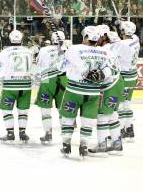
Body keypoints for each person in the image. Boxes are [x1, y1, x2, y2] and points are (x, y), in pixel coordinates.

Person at [58, 26, 113, 158]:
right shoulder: (105, 52)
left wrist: (63, 52)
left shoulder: (74, 49)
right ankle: (83, 146)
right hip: (93, 92)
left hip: (74, 91)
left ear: (86, 37)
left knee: (68, 117)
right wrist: (100, 74)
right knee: (88, 120)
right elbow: (110, 72)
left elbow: (60, 67)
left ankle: (66, 145)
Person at [89, 28, 124, 154]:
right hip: (118, 82)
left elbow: (103, 71)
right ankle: (117, 142)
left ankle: (102, 144)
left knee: (102, 115)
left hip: (109, 86)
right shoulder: (110, 48)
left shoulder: (102, 50)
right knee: (112, 114)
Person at [0, 30, 33, 143]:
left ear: (10, 39)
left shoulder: (5, 52)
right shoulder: (29, 51)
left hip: (10, 85)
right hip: (26, 85)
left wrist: (1, 79)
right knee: (23, 111)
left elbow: (0, 69)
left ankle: (10, 133)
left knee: (6, 110)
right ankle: (22, 133)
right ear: (22, 39)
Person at [34, 31, 66, 143]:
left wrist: (37, 83)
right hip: (63, 80)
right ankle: (65, 136)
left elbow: (39, 66)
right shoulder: (67, 49)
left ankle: (48, 133)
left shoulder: (43, 50)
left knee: (45, 110)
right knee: (63, 110)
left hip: (47, 79)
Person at [117, 21, 140, 141]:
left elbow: (113, 54)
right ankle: (129, 129)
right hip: (133, 76)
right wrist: (122, 23)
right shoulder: (136, 39)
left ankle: (120, 130)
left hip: (124, 77)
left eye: (121, 30)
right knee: (127, 103)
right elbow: (131, 34)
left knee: (120, 105)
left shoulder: (122, 44)